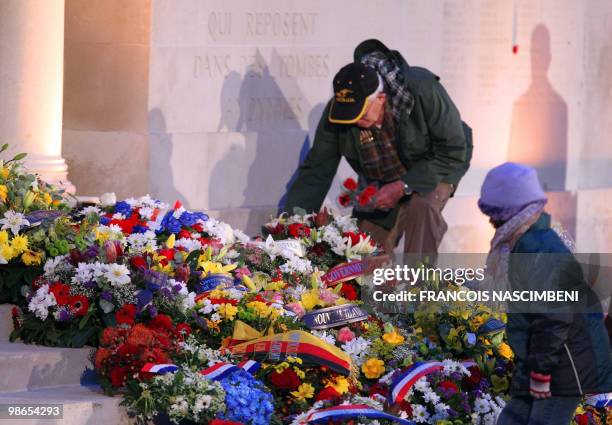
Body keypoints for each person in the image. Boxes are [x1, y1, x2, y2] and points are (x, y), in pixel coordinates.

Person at [283, 39, 472, 254]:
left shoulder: (422, 89)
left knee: (423, 207)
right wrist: (291, 227)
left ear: (381, 98)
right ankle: (378, 286)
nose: (354, 122)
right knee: (364, 252)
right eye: (350, 115)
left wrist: (403, 186)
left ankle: (420, 285)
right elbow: (316, 170)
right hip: (381, 176)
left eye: (361, 115)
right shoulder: (340, 112)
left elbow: (453, 149)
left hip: (439, 162)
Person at [478, 162, 612, 425]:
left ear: (506, 210)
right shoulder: (527, 239)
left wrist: (541, 371)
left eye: (492, 214)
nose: (491, 222)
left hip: (563, 362)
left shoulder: (535, 246)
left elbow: (555, 316)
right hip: (547, 357)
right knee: (515, 417)